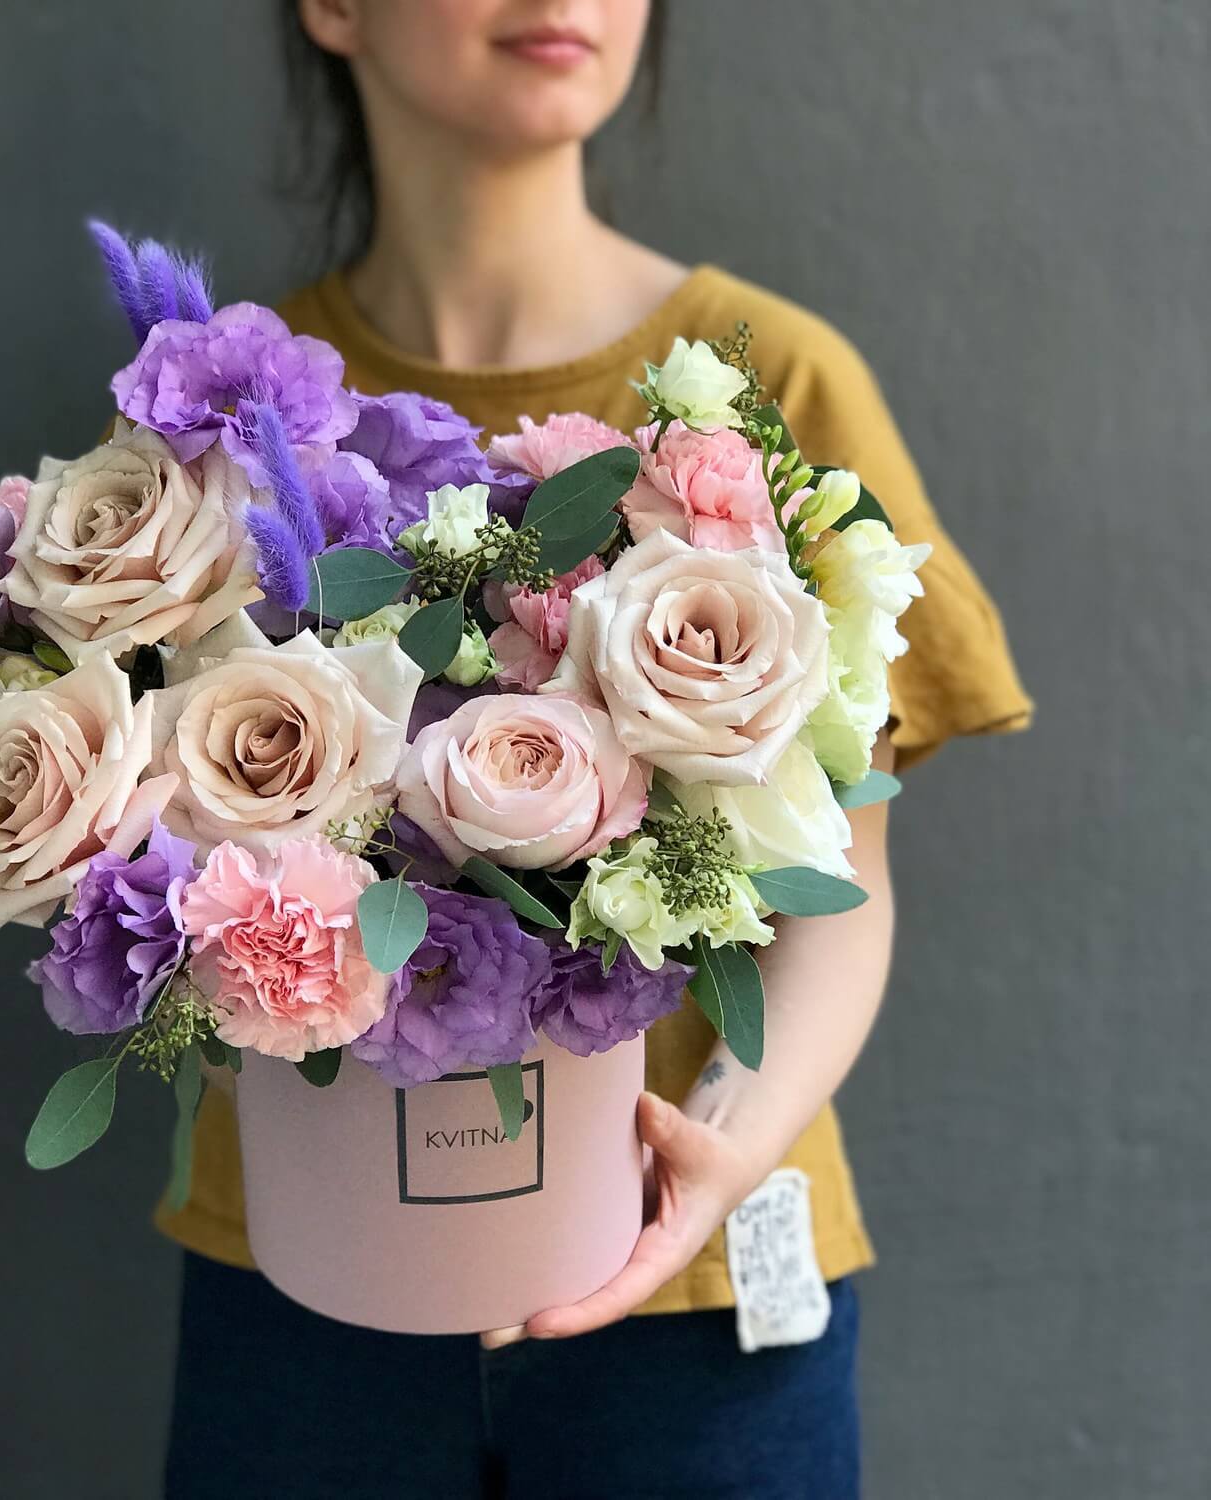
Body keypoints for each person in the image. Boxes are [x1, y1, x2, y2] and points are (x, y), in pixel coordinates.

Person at [160, 3, 1032, 1495]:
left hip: (694, 1319)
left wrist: (726, 1149)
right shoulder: (220, 426)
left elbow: (846, 874)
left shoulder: (779, 393)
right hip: (306, 1293)